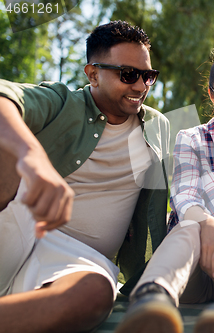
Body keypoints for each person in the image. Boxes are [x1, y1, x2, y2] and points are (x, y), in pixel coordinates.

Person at [0, 21, 169, 332]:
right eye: (128, 75)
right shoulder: (63, 101)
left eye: (148, 76)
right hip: (18, 230)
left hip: (77, 263)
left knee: (96, 293)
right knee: (7, 145)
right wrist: (33, 159)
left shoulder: (159, 127)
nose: (140, 86)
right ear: (92, 74)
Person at [115, 42, 214, 333]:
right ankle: (152, 302)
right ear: (213, 96)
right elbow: (185, 196)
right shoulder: (192, 138)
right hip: (187, 270)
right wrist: (209, 224)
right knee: (189, 225)